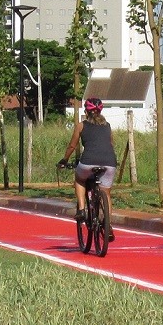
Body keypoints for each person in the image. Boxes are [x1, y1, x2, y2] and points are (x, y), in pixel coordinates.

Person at [59, 97, 118, 238]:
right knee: (106, 193)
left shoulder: (81, 125)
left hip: (88, 162)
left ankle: (81, 209)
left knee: (80, 179)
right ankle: (108, 225)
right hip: (109, 162)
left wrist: (64, 160)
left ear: (86, 111)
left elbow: (72, 145)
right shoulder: (107, 125)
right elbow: (110, 144)